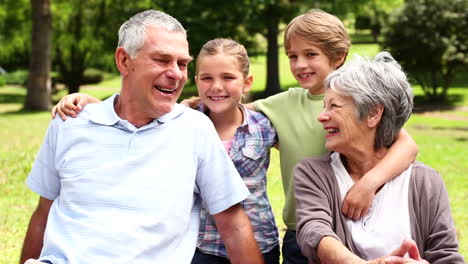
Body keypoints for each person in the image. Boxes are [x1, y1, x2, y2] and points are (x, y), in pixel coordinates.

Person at [52, 9, 419, 263]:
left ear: (338, 57)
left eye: (311, 55)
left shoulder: (360, 102)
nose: (300, 65)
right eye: (292, 55)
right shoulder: (279, 106)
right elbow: (218, 106)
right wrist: (93, 104)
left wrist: (368, 183)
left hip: (355, 222)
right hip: (298, 229)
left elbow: (407, 143)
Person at [20, 10, 263, 264]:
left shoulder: (195, 130)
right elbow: (43, 215)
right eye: (162, 60)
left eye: (182, 64)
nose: (177, 74)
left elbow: (234, 226)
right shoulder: (70, 122)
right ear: (124, 61)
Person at [294, 51, 464, 264]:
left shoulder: (426, 181)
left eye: (334, 106)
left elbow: (446, 256)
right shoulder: (314, 173)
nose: (321, 116)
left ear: (374, 113)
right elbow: (315, 234)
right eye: (324, 106)